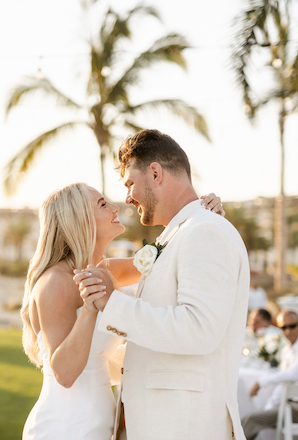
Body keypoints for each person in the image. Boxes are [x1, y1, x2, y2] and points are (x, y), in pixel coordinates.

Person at [75, 129, 250, 440]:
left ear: (155, 173)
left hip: (183, 427)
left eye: (129, 183)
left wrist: (113, 303)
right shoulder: (181, 234)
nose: (127, 198)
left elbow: (199, 330)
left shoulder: (205, 232)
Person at [21, 181, 225, 439]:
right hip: (65, 426)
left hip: (100, 424)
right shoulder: (55, 283)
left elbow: (168, 254)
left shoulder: (106, 271)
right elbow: (64, 373)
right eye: (103, 204)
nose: (115, 208)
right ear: (80, 218)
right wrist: (90, 307)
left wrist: (201, 214)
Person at [241, 310, 298, 439]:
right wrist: (268, 408)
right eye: (284, 327)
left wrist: (261, 382)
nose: (288, 330)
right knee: (254, 418)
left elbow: (293, 375)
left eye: (292, 326)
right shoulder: (287, 350)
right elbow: (284, 383)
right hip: (293, 409)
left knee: (251, 420)